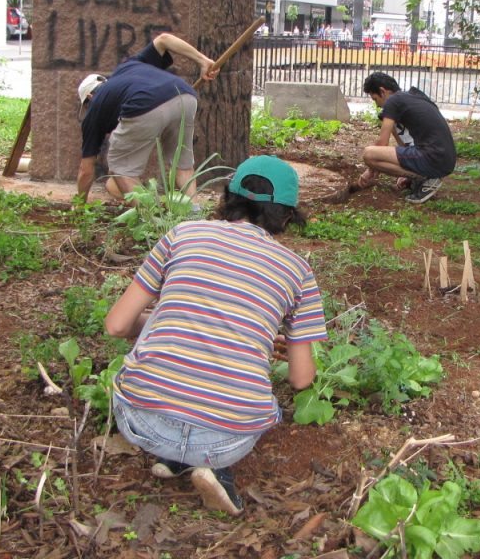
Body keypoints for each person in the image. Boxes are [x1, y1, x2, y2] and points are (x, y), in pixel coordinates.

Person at [104, 155, 326, 515]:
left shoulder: (183, 235)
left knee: (157, 337)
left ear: (226, 199)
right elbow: (302, 379)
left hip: (141, 424)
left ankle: (174, 455)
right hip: (229, 439)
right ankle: (211, 465)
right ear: (286, 217)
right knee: (256, 408)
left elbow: (116, 325)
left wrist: (164, 319)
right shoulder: (298, 271)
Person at [74, 33, 218, 203]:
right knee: (183, 166)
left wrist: (80, 205)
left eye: (85, 105)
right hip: (185, 96)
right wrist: (203, 61)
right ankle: (195, 217)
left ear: (90, 96)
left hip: (145, 103)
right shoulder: (129, 67)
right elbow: (164, 39)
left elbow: (86, 170)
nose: (87, 109)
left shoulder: (95, 108)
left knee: (120, 168)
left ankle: (153, 221)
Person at [357, 72, 457, 203]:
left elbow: (382, 143)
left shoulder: (393, 101)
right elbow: (406, 145)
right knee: (383, 145)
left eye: (375, 99)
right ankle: (421, 176)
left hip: (434, 157)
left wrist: (370, 170)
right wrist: (407, 172)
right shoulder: (415, 96)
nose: (377, 105)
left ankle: (423, 177)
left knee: (369, 154)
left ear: (382, 91)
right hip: (446, 159)